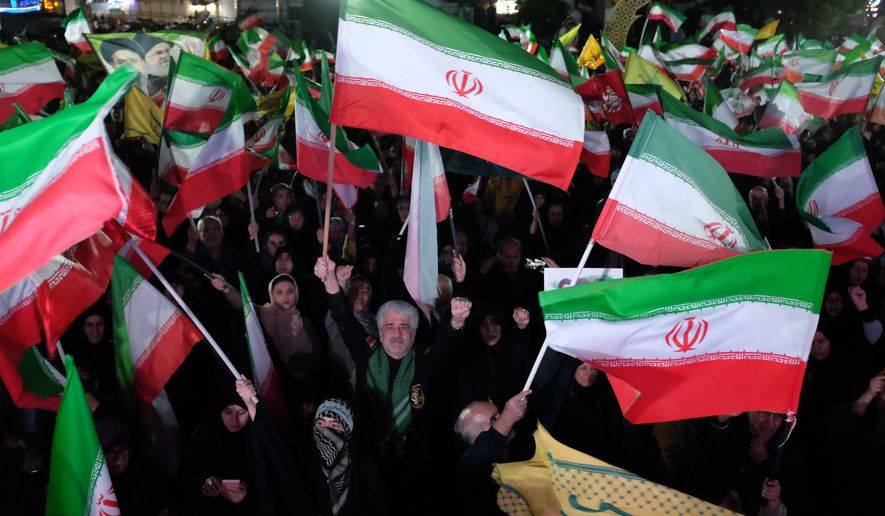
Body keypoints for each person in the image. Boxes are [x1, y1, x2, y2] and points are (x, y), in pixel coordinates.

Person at [315, 256, 471, 514]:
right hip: (369, 463)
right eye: (389, 326)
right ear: (380, 330)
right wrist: (330, 277)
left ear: (413, 332)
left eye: (404, 327)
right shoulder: (366, 351)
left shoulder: (424, 362)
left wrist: (457, 320)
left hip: (416, 469)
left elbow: (447, 345)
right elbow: (343, 318)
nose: (397, 333)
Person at [176, 378, 257, 515]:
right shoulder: (204, 437)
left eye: (242, 412)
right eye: (228, 412)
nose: (234, 420)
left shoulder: (257, 439)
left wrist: (248, 493)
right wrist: (205, 482)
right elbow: (185, 477)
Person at [296, 398, 388, 515]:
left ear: (347, 432)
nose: (326, 431)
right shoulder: (306, 467)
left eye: (334, 425)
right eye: (321, 423)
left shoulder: (365, 466)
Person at [453, 389, 531, 515]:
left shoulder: (522, 447)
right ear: (476, 439)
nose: (501, 417)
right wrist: (506, 419)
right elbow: (478, 457)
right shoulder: (469, 467)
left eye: (500, 413)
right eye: (494, 419)